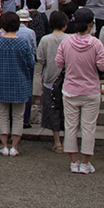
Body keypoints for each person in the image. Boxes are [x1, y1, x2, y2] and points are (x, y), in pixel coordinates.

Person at [56, 8, 104, 174]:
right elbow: (103, 66)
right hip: (90, 90)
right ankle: (85, 163)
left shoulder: (66, 42)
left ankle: (74, 161)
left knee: (70, 126)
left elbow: (59, 63)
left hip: (71, 89)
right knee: (88, 127)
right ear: (91, 24)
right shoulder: (96, 43)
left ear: (75, 23)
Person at [0, 11, 35, 157]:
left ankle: (4, 145)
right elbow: (31, 63)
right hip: (20, 82)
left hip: (1, 81)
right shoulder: (23, 43)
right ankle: (14, 146)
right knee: (18, 115)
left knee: (2, 113)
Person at [37, 10, 70, 153]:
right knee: (68, 110)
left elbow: (40, 59)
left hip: (50, 77)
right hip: (68, 79)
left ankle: (57, 141)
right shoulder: (70, 39)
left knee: (52, 109)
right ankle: (68, 139)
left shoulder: (45, 39)